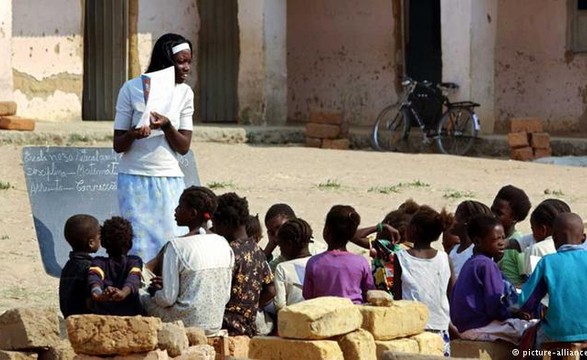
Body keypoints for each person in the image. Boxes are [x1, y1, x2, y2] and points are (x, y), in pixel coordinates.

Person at [113, 33, 194, 263]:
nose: (186, 68)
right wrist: (133, 134)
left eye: (189, 62)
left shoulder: (185, 93)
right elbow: (118, 144)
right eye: (180, 62)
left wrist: (167, 126)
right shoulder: (131, 89)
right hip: (134, 178)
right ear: (165, 63)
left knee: (172, 239)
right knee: (138, 242)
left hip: (168, 178)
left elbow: (184, 146)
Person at [141, 186, 234, 334]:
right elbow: (226, 295)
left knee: (141, 295)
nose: (175, 210)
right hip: (214, 322)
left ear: (192, 213)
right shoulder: (223, 243)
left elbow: (167, 299)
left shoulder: (176, 246)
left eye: (180, 206)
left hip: (186, 323)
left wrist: (156, 292)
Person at [450, 214, 534, 345]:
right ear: (478, 241)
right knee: (533, 329)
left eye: (503, 238)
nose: (502, 243)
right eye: (496, 239)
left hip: (464, 326)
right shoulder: (487, 265)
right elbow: (494, 306)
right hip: (480, 326)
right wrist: (513, 315)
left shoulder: (471, 263)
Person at [517, 213, 587, 351]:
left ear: (554, 238)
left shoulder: (547, 262)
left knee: (530, 343)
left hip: (558, 333)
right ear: (583, 238)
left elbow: (526, 302)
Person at [393, 206, 454, 356]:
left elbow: (397, 296)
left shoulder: (401, 258)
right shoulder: (445, 258)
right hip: (440, 326)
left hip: (412, 327)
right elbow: (451, 292)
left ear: (415, 229)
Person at [213, 192, 275, 337]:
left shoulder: (228, 251)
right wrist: (250, 308)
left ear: (226, 223)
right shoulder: (257, 249)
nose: (214, 229)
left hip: (225, 326)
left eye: (215, 224)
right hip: (248, 327)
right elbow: (271, 290)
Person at [303, 205, 375, 304]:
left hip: (322, 315)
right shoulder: (361, 262)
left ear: (326, 231)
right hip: (354, 315)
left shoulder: (314, 262)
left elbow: (308, 295)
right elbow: (370, 293)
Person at [88, 216, 143, 316]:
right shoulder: (135, 261)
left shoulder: (98, 262)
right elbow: (133, 279)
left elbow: (94, 279)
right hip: (130, 314)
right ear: (130, 244)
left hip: (103, 314)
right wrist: (123, 292)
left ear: (103, 243)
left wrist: (99, 294)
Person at [59, 214, 101, 318]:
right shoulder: (89, 268)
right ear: (91, 243)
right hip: (85, 322)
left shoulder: (68, 266)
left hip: (69, 318)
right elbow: (91, 301)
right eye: (99, 236)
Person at [522, 199, 571, 277]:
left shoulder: (536, 249)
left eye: (533, 229)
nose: (532, 235)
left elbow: (532, 284)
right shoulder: (577, 246)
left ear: (543, 230)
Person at [273, 218, 313, 311]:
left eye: (280, 245)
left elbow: (280, 304)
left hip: (294, 320)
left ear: (289, 244)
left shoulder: (282, 268)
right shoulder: (318, 262)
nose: (280, 250)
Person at [447, 200, 493, 279]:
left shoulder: (478, 252)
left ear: (466, 221)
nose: (452, 220)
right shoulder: (453, 250)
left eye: (456, 216)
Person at [491, 185, 532, 251]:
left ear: (514, 218)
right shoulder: (487, 240)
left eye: (499, 214)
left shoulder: (517, 248)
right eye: (492, 210)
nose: (492, 216)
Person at [263, 203, 296, 271]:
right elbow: (256, 271)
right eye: (272, 232)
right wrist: (270, 246)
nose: (277, 234)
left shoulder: (316, 254)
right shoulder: (279, 264)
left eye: (279, 227)